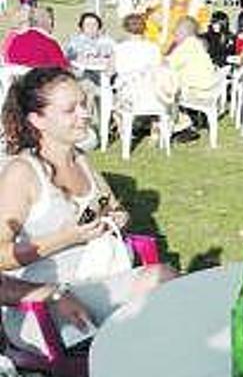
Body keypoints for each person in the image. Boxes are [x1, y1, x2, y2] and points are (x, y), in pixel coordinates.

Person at [0, 68, 176, 353]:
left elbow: (113, 207)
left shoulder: (81, 160)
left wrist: (117, 217)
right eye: (70, 109)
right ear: (37, 119)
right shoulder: (22, 173)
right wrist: (67, 238)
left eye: (84, 103)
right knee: (157, 316)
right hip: (44, 304)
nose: (84, 114)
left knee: (165, 281)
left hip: (100, 283)